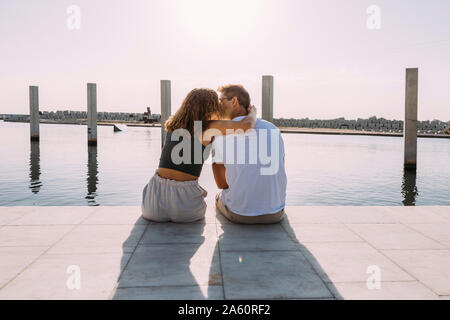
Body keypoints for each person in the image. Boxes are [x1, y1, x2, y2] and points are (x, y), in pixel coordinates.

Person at [141, 88, 257, 223]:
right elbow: (247, 126)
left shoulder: (173, 125)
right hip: (185, 205)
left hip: (153, 200)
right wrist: (253, 112)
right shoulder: (207, 127)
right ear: (211, 108)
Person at [212, 84, 287, 224]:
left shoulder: (221, 135)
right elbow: (281, 168)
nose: (217, 105)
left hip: (240, 214)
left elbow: (221, 183)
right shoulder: (273, 128)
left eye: (220, 101)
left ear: (234, 101)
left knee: (218, 197)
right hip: (276, 213)